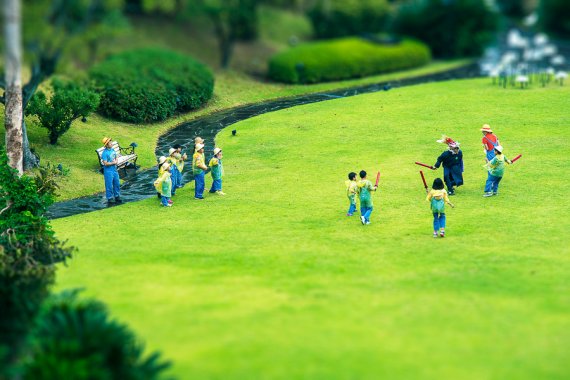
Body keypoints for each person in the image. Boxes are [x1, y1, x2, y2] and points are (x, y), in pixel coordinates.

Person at [100, 137, 121, 205]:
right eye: (110, 142)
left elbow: (116, 157)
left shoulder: (112, 150)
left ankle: (117, 196)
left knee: (117, 183)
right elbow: (105, 163)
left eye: (111, 142)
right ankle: (110, 198)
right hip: (108, 171)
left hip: (114, 170)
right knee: (109, 184)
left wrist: (116, 161)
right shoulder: (104, 153)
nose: (111, 143)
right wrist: (113, 163)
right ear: (106, 145)